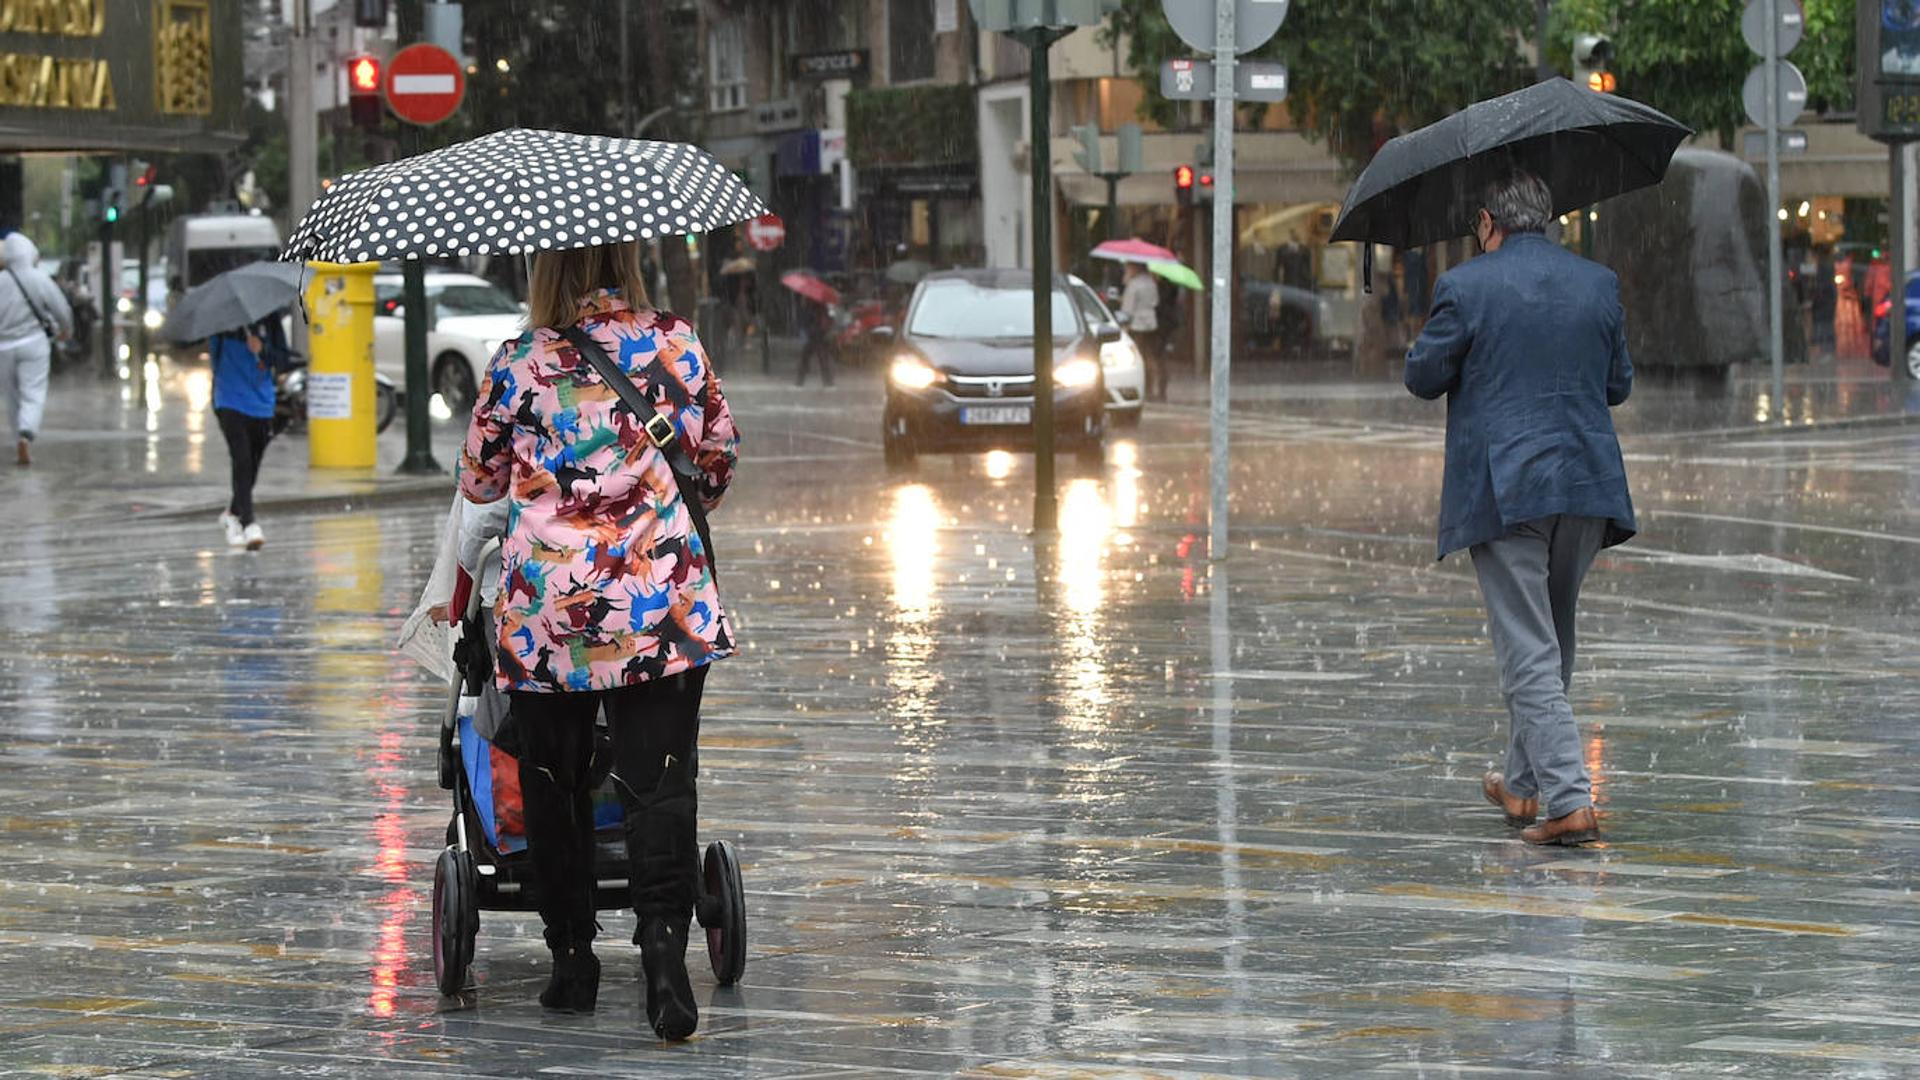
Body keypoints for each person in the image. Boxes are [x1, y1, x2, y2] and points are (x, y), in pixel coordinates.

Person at [460, 239, 739, 1041]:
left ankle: (572, 959)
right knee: (660, 784)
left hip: (549, 617)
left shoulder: (517, 361)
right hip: (659, 612)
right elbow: (716, 459)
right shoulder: (676, 341)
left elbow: (480, 482)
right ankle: (662, 965)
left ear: (545, 273)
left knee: (553, 781)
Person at [1403, 170, 1635, 848]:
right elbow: (1618, 384)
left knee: (1527, 650)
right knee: (1551, 639)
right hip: (1586, 487)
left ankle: (1568, 799)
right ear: (1550, 218)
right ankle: (1524, 786)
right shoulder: (1598, 283)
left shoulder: (1467, 286)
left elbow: (1421, 376)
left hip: (1508, 490)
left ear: (1486, 222)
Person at [210, 313, 291, 550]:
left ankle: (233, 512)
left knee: (253, 464)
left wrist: (262, 348)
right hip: (229, 400)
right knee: (242, 459)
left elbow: (283, 359)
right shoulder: (220, 324)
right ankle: (249, 523)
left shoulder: (270, 322)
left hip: (262, 404)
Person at [0, 232, 73, 466]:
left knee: (12, 398)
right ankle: (26, 434)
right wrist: (66, 330)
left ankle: (17, 442)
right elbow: (60, 308)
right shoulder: (40, 279)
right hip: (34, 344)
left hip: (3, 347)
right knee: (33, 392)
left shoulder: (1, 281)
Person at [1119, 261, 1165, 401]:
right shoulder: (1151, 282)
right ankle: (1152, 387)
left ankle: (1142, 386)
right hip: (1151, 323)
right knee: (1150, 356)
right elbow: (1155, 301)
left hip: (1137, 325)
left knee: (1138, 356)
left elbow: (1127, 308)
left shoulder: (1133, 284)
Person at [795, 294, 835, 387]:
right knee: (820, 359)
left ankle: (800, 381)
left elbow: (808, 321)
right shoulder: (823, 307)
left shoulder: (812, 307)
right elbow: (830, 319)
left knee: (807, 358)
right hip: (819, 335)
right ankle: (827, 382)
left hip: (815, 335)